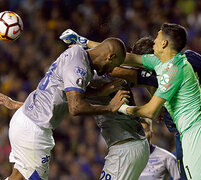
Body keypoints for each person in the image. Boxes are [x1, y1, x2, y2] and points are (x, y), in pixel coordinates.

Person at [59, 23, 201, 179]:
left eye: (157, 37)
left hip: (195, 134)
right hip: (189, 131)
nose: (154, 40)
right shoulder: (165, 63)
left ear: (164, 43)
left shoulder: (171, 71)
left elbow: (150, 110)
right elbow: (125, 57)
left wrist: (119, 108)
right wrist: (84, 41)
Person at [1, 37, 129, 180]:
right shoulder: (78, 66)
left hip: (26, 120)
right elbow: (76, 107)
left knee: (18, 177)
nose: (111, 71)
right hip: (34, 130)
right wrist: (109, 108)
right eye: (113, 66)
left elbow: (61, 94)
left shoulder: (77, 53)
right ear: (110, 57)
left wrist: (99, 92)